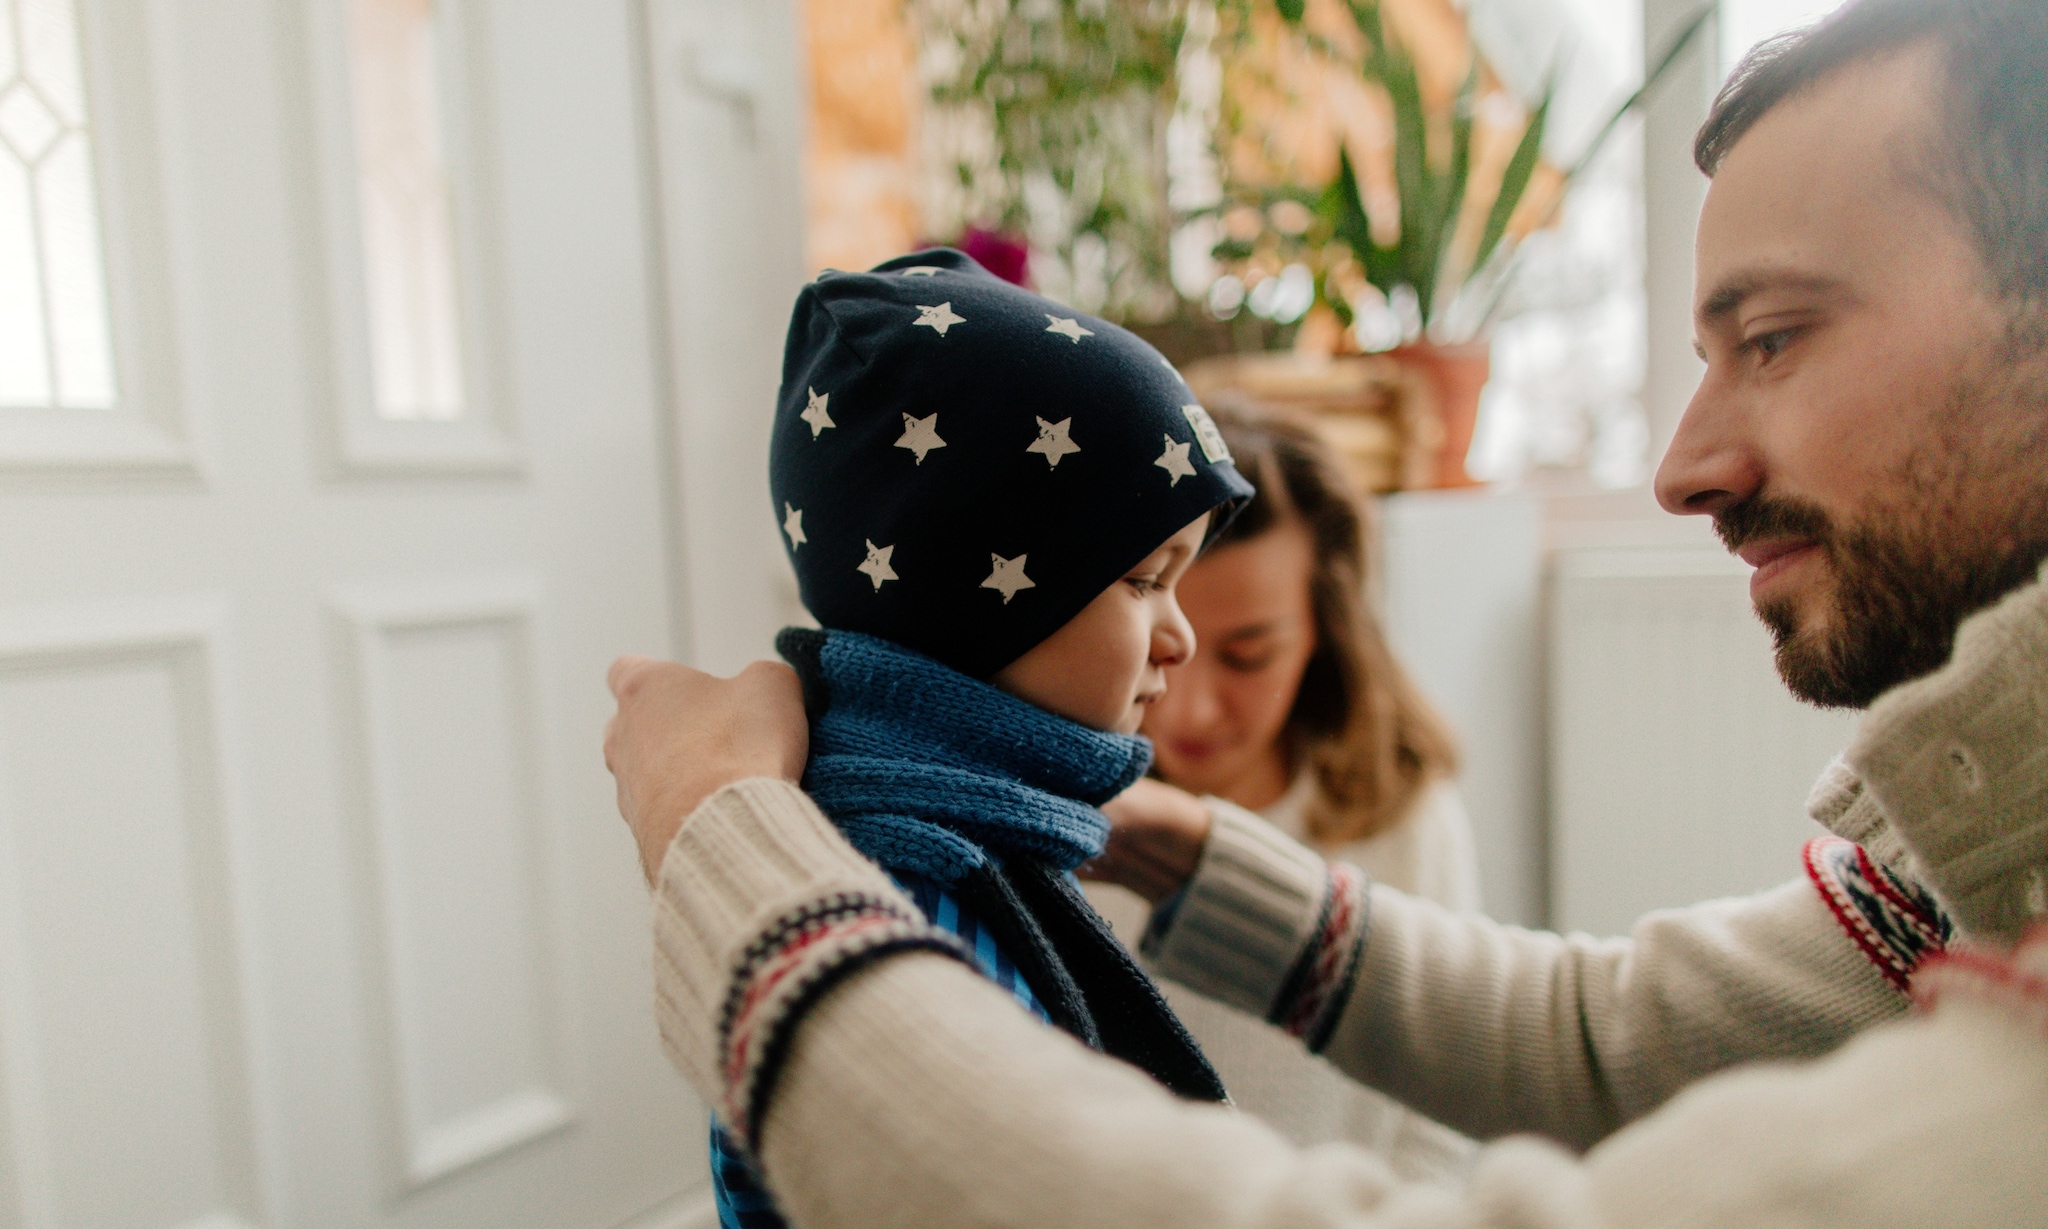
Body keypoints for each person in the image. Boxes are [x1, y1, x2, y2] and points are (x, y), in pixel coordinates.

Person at [606, 1, 2048, 1223]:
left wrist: (718, 830)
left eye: (1777, 337)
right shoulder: (1961, 879)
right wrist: (1193, 857)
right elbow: (1604, 1039)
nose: (1680, 466)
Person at [702, 245, 1254, 1227]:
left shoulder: (963, 824)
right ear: (978, 596)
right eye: (1141, 581)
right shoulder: (915, 880)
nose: (1180, 636)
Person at [1083, 405, 1480, 1179]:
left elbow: (1446, 1109)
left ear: (1324, 627)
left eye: (1250, 655)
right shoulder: (1059, 812)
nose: (1192, 708)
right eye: (1159, 639)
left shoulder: (1403, 810)